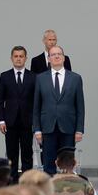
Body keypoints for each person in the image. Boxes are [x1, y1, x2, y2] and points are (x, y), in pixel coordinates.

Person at [33, 45, 85, 174]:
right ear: (49, 59)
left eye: (59, 54)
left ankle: (67, 190)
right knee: (48, 164)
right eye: (53, 55)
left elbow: (80, 106)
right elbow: (36, 106)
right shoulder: (40, 78)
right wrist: (37, 129)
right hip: (47, 127)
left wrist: (79, 130)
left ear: (64, 58)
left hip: (68, 127)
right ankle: (50, 191)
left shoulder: (75, 78)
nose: (56, 56)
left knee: (67, 164)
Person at [0, 46, 37, 182]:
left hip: (28, 121)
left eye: (21, 56)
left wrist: (36, 122)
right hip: (10, 122)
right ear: (11, 58)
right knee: (11, 154)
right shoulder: (5, 76)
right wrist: (1, 120)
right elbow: (0, 100)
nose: (18, 59)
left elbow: (37, 101)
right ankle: (12, 182)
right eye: (16, 56)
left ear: (26, 58)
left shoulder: (33, 77)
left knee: (27, 153)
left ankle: (27, 181)